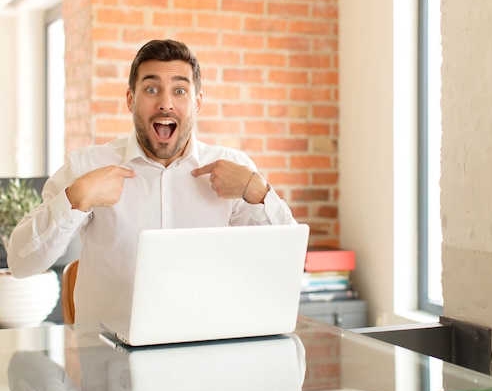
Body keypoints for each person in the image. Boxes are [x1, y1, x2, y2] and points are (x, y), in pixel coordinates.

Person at [7, 39, 297, 324]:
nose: (165, 103)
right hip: (109, 361)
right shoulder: (87, 166)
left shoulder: (236, 171)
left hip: (207, 352)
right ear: (131, 99)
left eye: (180, 91)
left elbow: (288, 266)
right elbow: (21, 264)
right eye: (151, 89)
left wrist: (258, 192)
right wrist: (75, 198)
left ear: (197, 103)